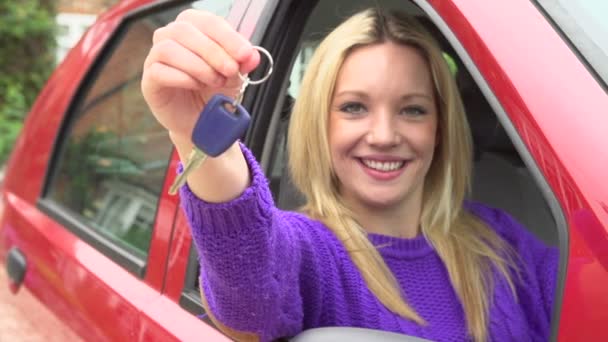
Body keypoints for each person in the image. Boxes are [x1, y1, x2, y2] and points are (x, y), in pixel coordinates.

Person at [141, 7, 558, 342]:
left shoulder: (500, 239)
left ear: (440, 128)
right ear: (319, 124)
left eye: (412, 109)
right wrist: (201, 139)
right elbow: (249, 293)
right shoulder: (311, 249)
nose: (383, 135)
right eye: (354, 107)